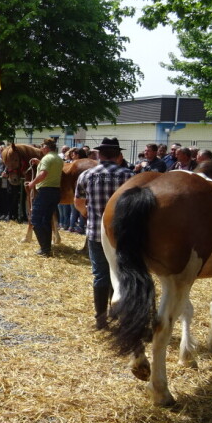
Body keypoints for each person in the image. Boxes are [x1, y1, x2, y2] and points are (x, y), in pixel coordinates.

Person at [74, 137, 134, 329]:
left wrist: (88, 214)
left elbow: (78, 202)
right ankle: (117, 313)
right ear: (118, 156)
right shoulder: (129, 175)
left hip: (96, 232)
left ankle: (100, 319)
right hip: (123, 235)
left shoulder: (87, 175)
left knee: (101, 274)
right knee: (122, 273)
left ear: (99, 155)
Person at [25, 139, 64, 257]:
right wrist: (40, 162)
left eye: (42, 146)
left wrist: (32, 183)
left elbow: (43, 174)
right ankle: (46, 248)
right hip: (55, 192)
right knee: (46, 220)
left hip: (45, 191)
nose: (41, 148)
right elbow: (50, 169)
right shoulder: (57, 158)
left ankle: (44, 249)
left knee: (36, 220)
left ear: (46, 147)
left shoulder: (47, 158)